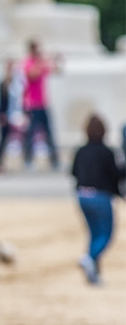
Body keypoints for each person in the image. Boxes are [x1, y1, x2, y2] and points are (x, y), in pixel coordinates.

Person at [71, 114, 124, 284]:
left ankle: (93, 274)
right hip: (100, 197)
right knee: (106, 234)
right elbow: (116, 175)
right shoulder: (107, 152)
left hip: (82, 196)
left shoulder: (80, 150)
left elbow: (73, 172)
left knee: (94, 234)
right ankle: (89, 258)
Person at [21, 40, 61, 169]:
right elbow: (32, 74)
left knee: (49, 134)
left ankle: (54, 161)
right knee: (30, 135)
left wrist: (55, 60)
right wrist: (44, 60)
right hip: (31, 105)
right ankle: (28, 161)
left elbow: (57, 71)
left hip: (43, 103)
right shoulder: (28, 63)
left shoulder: (40, 63)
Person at [0, 58, 23, 173]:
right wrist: (1, 115)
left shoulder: (14, 82)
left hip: (13, 115)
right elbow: (1, 101)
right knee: (2, 140)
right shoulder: (3, 83)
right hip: (5, 116)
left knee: (8, 141)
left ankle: (0, 163)